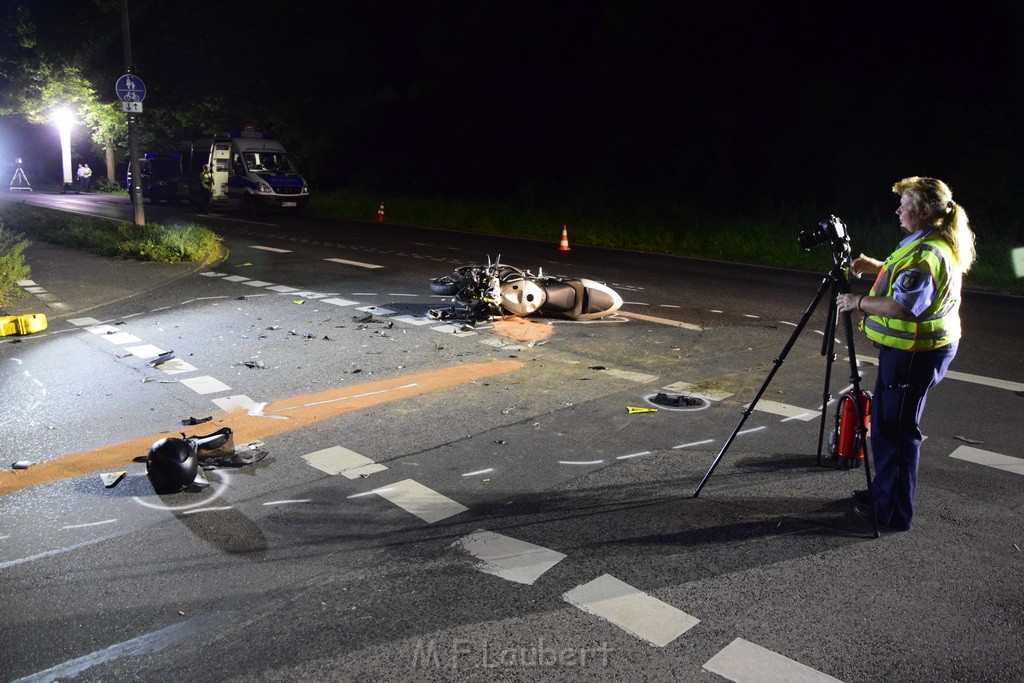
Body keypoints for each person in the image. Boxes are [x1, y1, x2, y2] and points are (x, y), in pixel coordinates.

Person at [836, 177, 976, 531]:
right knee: (885, 426)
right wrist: (876, 265)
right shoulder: (929, 242)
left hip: (915, 352)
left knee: (896, 432)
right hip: (910, 350)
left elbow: (904, 306)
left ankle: (893, 512)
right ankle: (885, 491)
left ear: (925, 211)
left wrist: (857, 301)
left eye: (906, 203)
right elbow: (908, 279)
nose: (899, 209)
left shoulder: (926, 253)